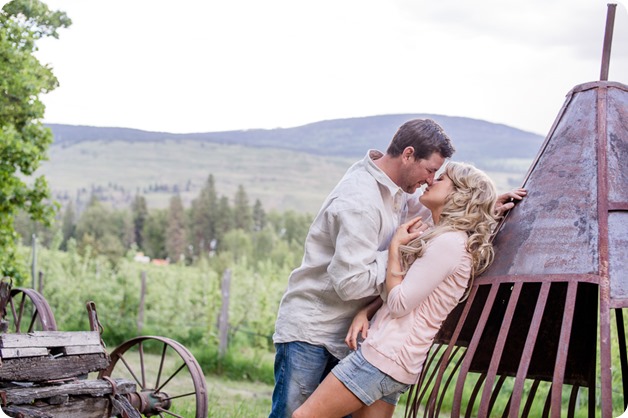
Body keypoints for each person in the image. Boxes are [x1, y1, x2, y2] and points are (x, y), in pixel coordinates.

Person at [270, 118, 525, 418]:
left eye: (437, 175)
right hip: (315, 330)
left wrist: (483, 206)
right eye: (431, 170)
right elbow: (352, 284)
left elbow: (440, 220)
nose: (430, 180)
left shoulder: (401, 192)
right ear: (407, 155)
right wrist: (397, 252)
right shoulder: (359, 201)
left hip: (371, 343)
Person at [293, 161, 499, 418]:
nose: (432, 180)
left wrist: (394, 249)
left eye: (443, 178)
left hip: (383, 356)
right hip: (398, 362)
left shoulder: (449, 244)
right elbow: (412, 294)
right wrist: (366, 311)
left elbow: (400, 303)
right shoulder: (449, 240)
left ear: (460, 194)